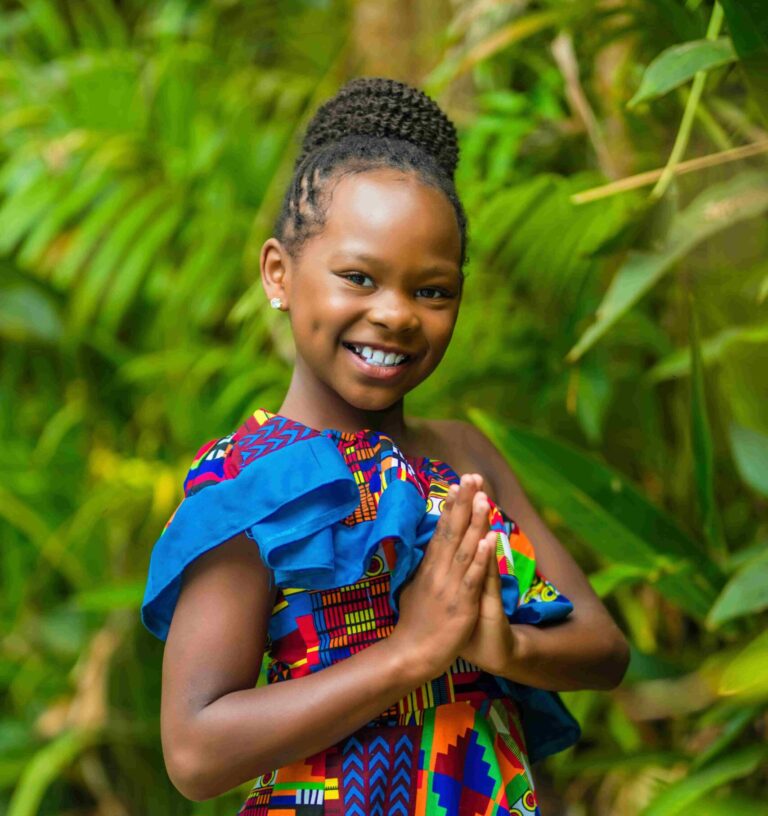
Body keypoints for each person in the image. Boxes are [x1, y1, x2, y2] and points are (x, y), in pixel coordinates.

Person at [141, 77, 629, 815]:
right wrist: (411, 654)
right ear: (279, 274)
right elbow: (194, 752)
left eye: (433, 291)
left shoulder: (466, 456)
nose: (397, 315)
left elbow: (603, 649)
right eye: (358, 278)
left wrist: (506, 649)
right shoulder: (252, 483)